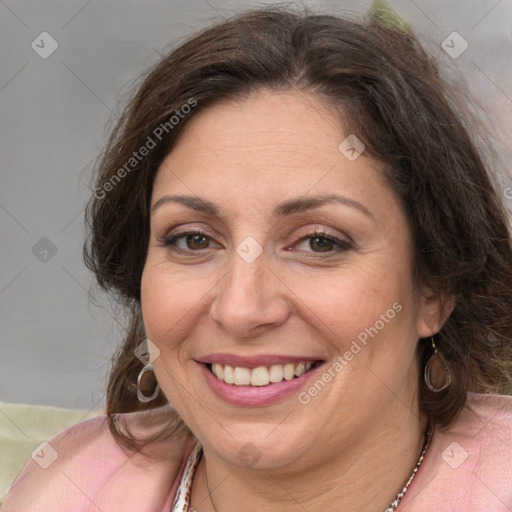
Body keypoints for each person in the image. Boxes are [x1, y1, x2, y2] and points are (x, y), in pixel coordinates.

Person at [3, 3, 512, 511]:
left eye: (318, 242)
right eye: (193, 239)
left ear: (436, 288)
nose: (241, 310)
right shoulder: (64, 491)